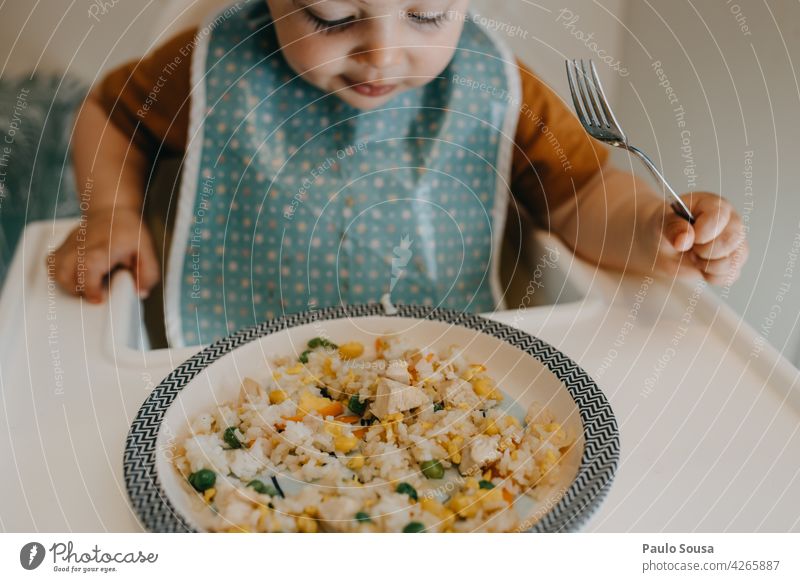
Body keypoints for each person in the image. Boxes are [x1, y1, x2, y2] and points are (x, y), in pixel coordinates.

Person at [51, 0, 747, 347]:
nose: (382, 53)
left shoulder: (500, 88)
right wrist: (111, 211)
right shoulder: (211, 67)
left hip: (439, 374)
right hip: (228, 366)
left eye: (426, 14)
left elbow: (584, 194)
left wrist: (653, 232)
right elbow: (112, 115)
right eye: (332, 17)